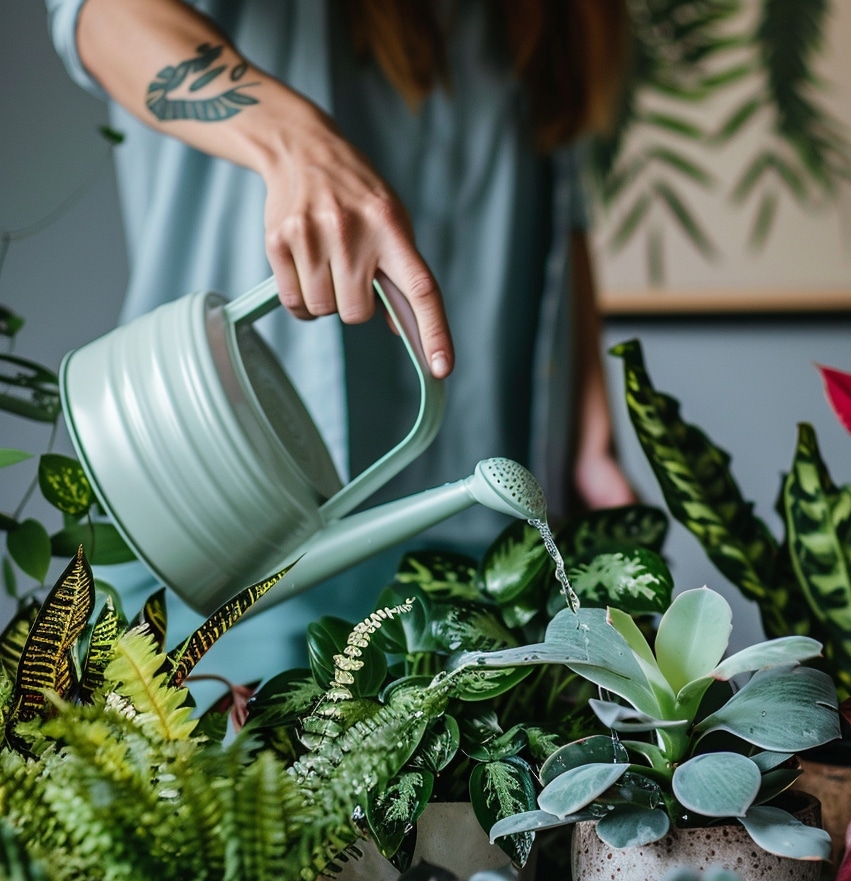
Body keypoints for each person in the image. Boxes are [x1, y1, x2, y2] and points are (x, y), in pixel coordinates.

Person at [45, 0, 636, 680]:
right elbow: (102, 17)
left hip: (492, 537)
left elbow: (559, 208)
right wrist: (300, 147)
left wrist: (592, 442)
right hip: (235, 526)